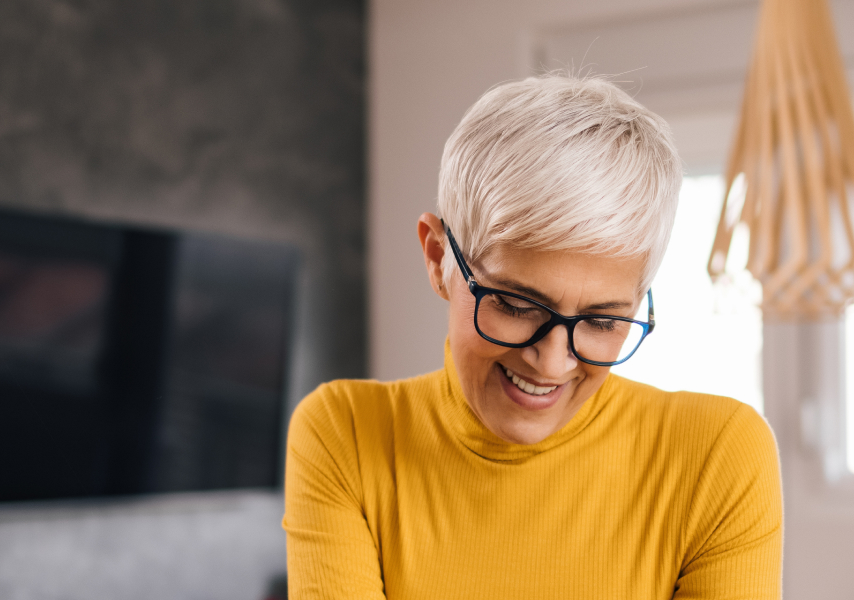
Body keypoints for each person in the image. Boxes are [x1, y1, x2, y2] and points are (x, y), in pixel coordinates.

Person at [282, 74, 783, 599]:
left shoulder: (716, 456)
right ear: (437, 258)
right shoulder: (349, 436)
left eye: (602, 321)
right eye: (516, 305)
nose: (552, 362)